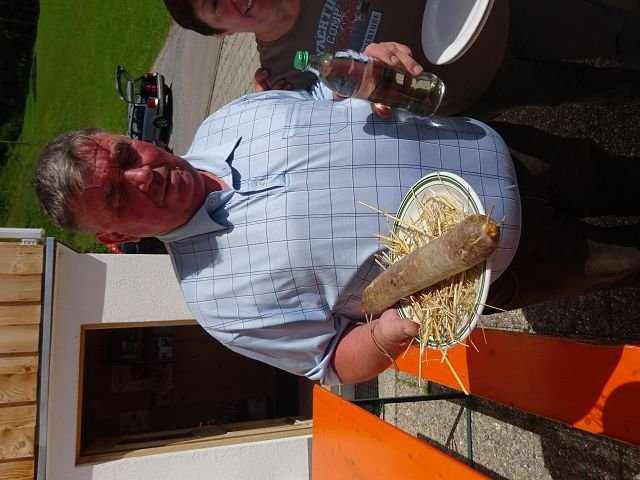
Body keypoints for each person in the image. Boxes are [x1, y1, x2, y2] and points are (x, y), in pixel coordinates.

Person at [33, 89, 640, 385]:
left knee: (616, 173)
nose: (144, 174)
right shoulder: (220, 303)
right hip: (509, 260)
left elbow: (332, 94)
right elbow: (332, 363)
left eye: (126, 154)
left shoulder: (230, 118)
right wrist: (392, 331)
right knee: (628, 260)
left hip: (494, 148)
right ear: (115, 236)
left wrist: (372, 76)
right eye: (119, 195)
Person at [162, 0, 640, 118]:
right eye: (215, 4)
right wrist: (286, 111)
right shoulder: (284, 74)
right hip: (467, 89)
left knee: (608, 31)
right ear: (220, 32)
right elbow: (348, 129)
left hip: (498, 14)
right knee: (572, 90)